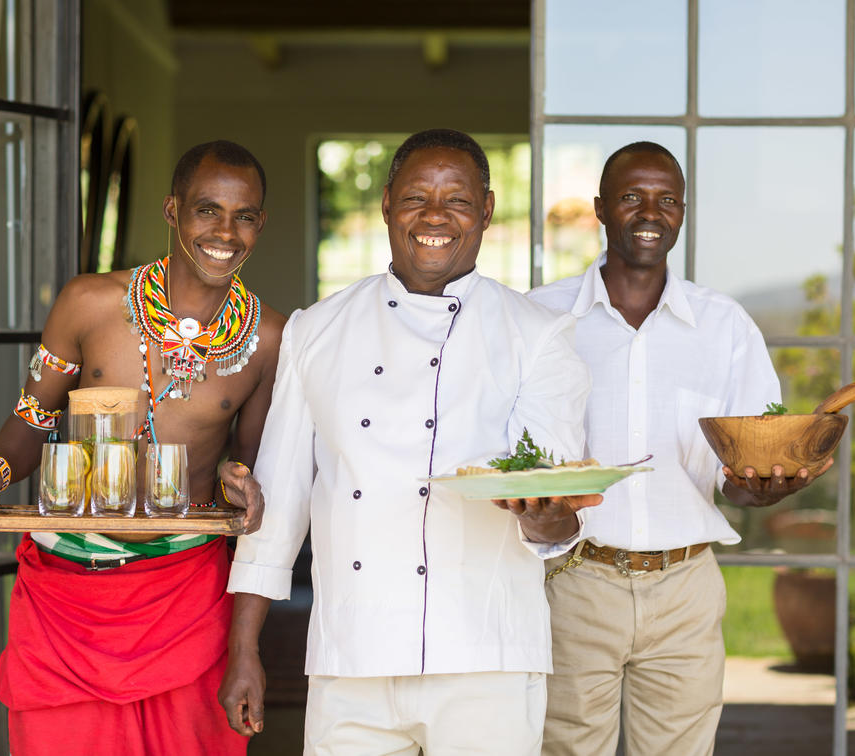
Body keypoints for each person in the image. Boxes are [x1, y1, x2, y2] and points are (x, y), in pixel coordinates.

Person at [217, 128, 602, 755]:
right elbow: (277, 505)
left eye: (457, 200)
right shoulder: (317, 329)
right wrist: (244, 649)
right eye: (417, 198)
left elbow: (549, 495)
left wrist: (548, 519)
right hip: (353, 654)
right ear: (387, 203)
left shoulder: (538, 334)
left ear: (486, 211)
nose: (434, 217)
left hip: (487, 657)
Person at [0, 140, 286, 756]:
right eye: (207, 210)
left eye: (243, 216)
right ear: (172, 210)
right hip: (66, 588)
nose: (224, 232)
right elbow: (32, 417)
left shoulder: (267, 338)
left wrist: (239, 480)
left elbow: (248, 460)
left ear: (260, 224)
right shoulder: (88, 302)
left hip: (185, 591)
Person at [528, 141, 832, 756]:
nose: (650, 212)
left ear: (683, 213)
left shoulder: (724, 326)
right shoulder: (541, 316)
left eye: (667, 200)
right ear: (600, 209)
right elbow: (515, 451)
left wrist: (762, 487)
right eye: (631, 197)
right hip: (574, 579)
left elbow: (740, 472)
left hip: (687, 587)